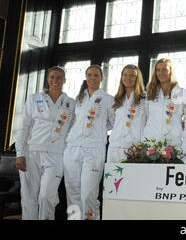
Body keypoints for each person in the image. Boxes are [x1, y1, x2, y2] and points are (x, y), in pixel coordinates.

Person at [15, 66, 75, 220]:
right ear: (48, 79)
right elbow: (24, 127)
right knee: (29, 197)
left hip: (57, 155)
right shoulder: (34, 98)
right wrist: (20, 153)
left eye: (59, 77)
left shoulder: (70, 103)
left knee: (46, 197)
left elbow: (73, 131)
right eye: (52, 77)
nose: (55, 81)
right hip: (32, 153)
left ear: (64, 80)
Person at [63, 64, 115, 220]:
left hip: (94, 150)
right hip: (72, 148)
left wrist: (98, 130)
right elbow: (72, 122)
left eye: (96, 75)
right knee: (72, 193)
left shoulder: (108, 99)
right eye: (90, 75)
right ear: (86, 77)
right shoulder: (78, 99)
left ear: (101, 78)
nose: (93, 78)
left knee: (88, 195)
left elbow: (113, 122)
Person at [107, 65, 146, 163]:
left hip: (134, 149)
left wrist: (142, 145)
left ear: (137, 78)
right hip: (114, 147)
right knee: (113, 178)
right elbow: (112, 122)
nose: (128, 78)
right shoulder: (116, 100)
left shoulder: (145, 99)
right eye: (125, 75)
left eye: (132, 75)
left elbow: (148, 123)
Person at [142, 58, 184, 149]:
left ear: (171, 71)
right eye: (158, 70)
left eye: (164, 69)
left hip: (173, 144)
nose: (161, 73)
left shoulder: (181, 93)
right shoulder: (150, 93)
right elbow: (147, 116)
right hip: (151, 143)